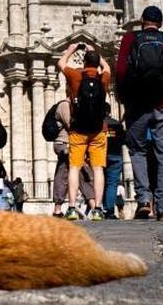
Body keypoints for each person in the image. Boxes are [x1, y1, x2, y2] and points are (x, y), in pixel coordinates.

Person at [115, 5, 163, 221]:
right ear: (161, 23)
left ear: (141, 21)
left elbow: (120, 72)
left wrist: (125, 100)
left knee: (137, 151)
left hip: (137, 106)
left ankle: (144, 200)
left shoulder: (130, 39)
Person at [57, 42, 111, 221]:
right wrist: (92, 50)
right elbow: (107, 66)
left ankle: (71, 208)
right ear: (96, 63)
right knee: (98, 169)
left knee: (74, 168)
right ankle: (98, 209)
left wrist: (72, 49)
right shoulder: (103, 78)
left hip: (77, 130)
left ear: (84, 61)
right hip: (98, 130)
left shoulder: (74, 75)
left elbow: (61, 63)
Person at [103, 108, 127, 219]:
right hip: (116, 155)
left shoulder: (97, 123)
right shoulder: (117, 124)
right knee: (112, 184)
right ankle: (110, 210)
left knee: (100, 182)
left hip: (101, 156)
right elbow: (124, 140)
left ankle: (101, 209)